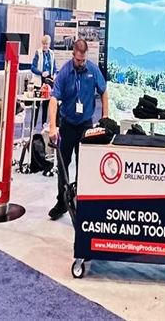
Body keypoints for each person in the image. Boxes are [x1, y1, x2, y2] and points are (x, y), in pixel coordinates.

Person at [48, 38, 108, 220]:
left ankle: (81, 201)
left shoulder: (93, 70)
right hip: (67, 124)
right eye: (78, 60)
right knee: (63, 165)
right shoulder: (65, 72)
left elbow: (104, 92)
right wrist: (52, 127)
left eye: (83, 60)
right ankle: (62, 202)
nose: (81, 63)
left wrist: (105, 117)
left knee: (84, 165)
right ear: (73, 54)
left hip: (85, 125)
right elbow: (53, 99)